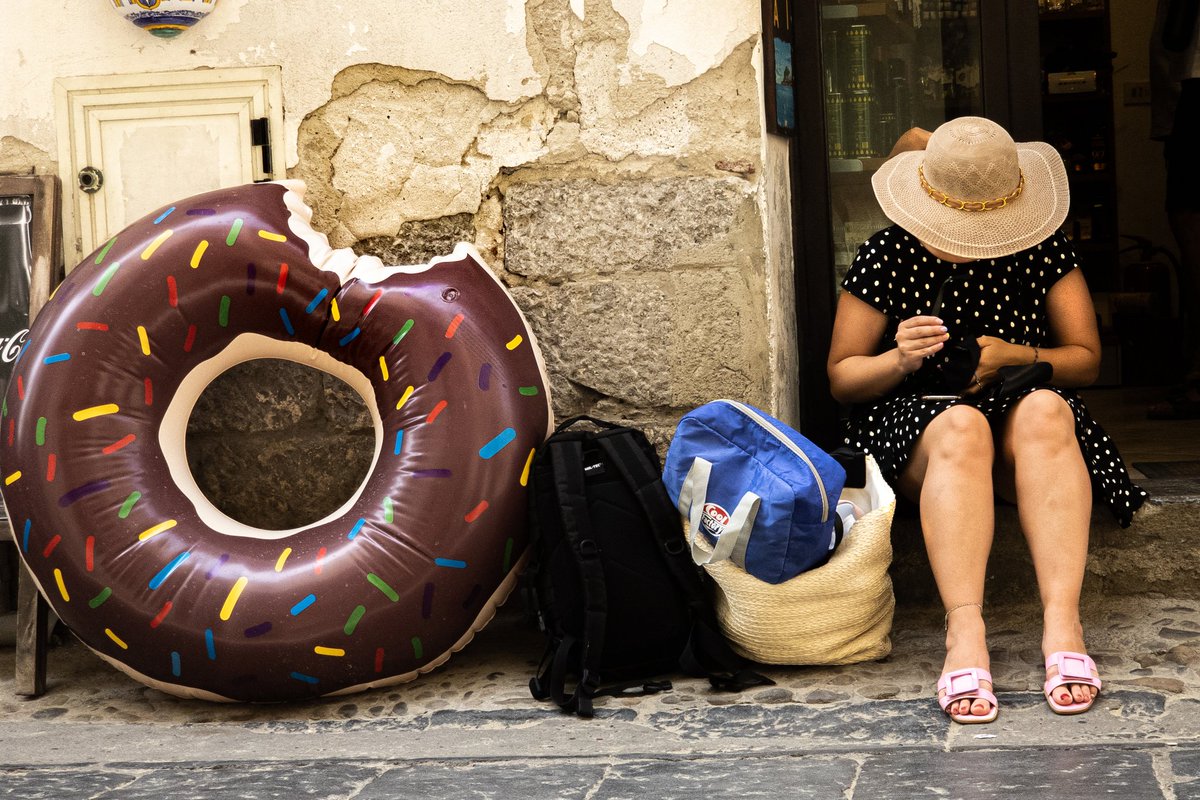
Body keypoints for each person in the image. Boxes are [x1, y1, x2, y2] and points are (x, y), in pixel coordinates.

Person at [826, 116, 1148, 724]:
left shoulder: (1041, 247)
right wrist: (899, 358)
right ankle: (965, 631)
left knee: (1049, 408)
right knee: (961, 427)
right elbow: (843, 377)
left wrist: (1016, 356)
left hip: (1021, 419)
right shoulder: (888, 253)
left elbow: (1085, 360)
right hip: (920, 423)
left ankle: (1063, 623)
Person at [1149, 0, 1200, 418]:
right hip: (1186, 95)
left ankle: (1198, 380)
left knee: (1193, 237)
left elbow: (1174, 35)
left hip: (1194, 92)